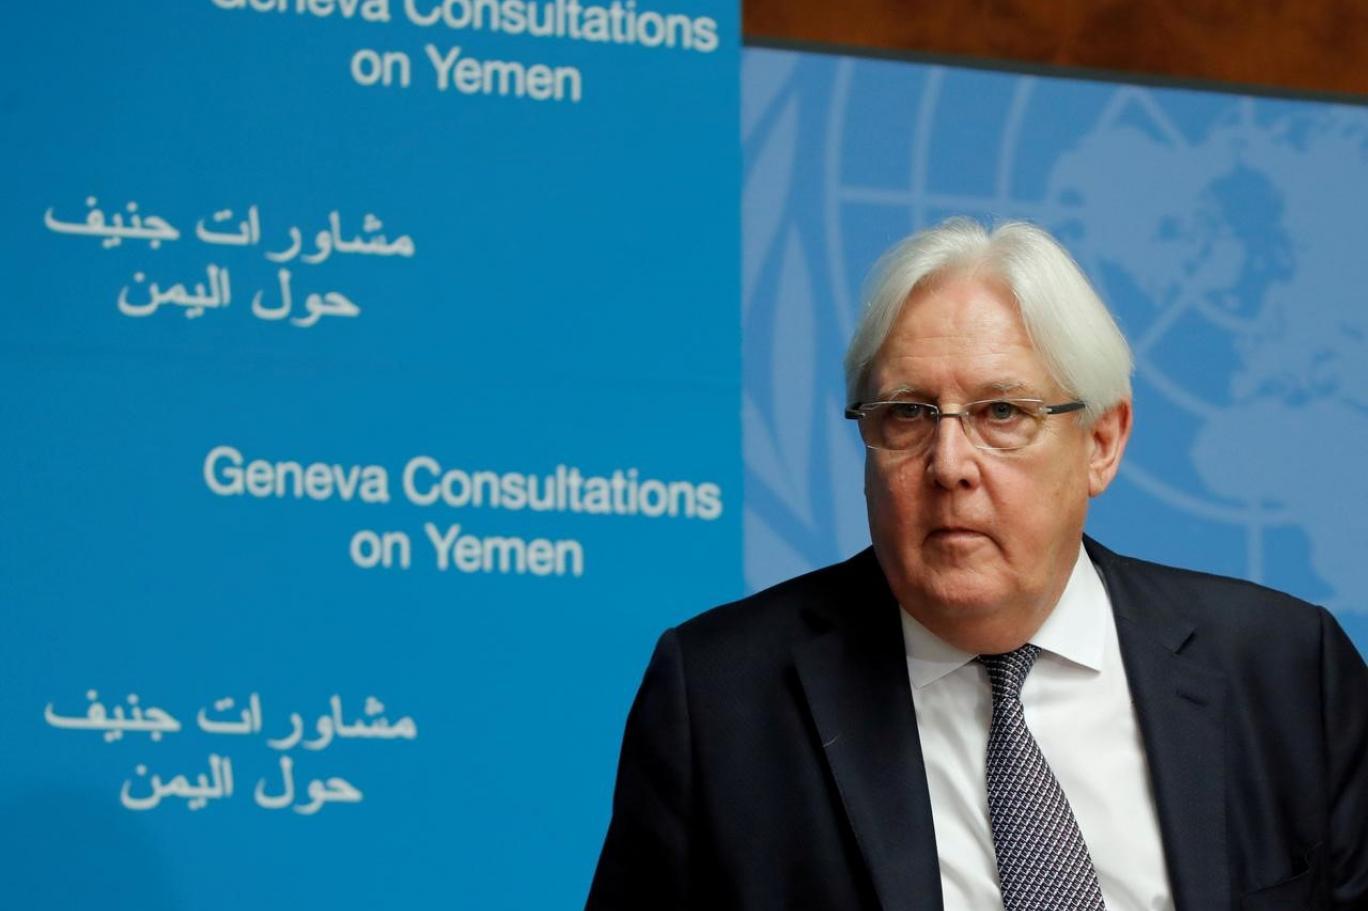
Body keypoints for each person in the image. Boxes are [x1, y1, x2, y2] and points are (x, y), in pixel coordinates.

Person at [585, 218, 1368, 910]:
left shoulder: (1289, 671)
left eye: (1001, 412)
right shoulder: (720, 697)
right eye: (907, 413)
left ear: (1102, 442)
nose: (949, 463)